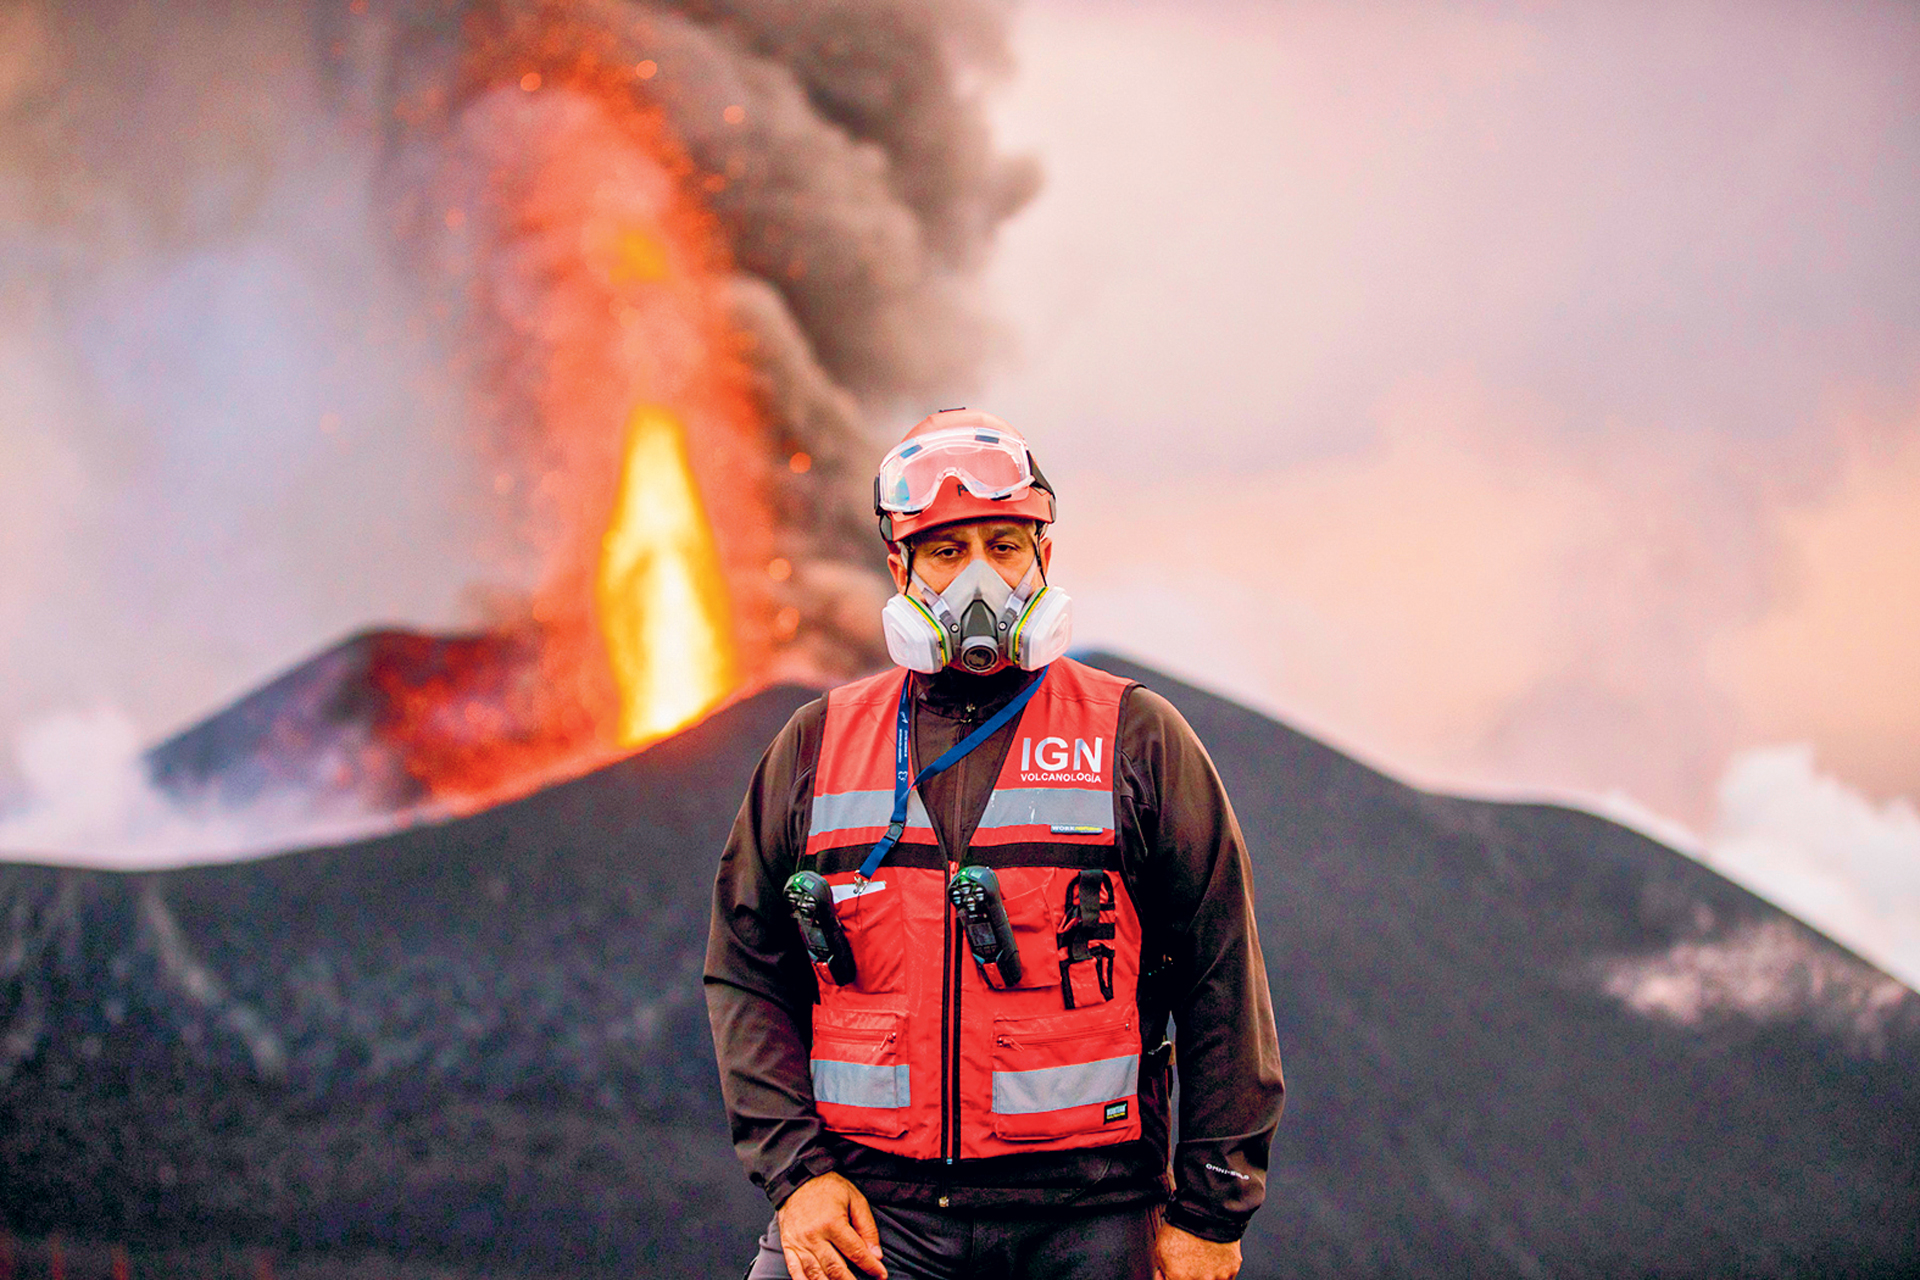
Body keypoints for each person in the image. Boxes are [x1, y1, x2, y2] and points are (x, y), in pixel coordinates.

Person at [705, 410, 1284, 1280]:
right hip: (870, 1217)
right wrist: (797, 1179)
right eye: (946, 550)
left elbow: (1219, 974)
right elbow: (747, 969)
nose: (979, 574)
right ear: (899, 566)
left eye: (1005, 545)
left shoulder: (1135, 738)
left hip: (1088, 1220)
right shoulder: (816, 745)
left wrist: (1211, 1214)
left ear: (1043, 556)